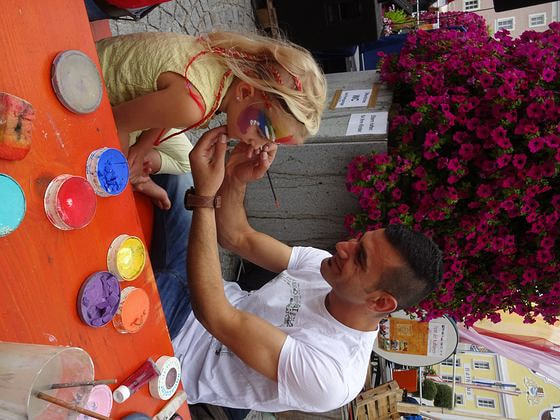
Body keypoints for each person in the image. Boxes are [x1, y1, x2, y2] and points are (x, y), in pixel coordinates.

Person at [150, 126, 443, 417]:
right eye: (358, 240)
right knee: (173, 147)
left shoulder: (333, 374)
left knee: (139, 274)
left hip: (177, 343)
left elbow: (216, 315)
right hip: (196, 284)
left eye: (360, 258)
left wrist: (205, 198)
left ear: (380, 302)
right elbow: (237, 237)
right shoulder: (325, 268)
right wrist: (236, 178)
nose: (343, 247)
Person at [95, 31, 326, 209]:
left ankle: (138, 165)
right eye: (263, 133)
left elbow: (166, 109)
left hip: (120, 86)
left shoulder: (228, 65)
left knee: (186, 160)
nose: (258, 146)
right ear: (245, 92)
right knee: (113, 181)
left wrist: (143, 147)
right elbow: (115, 122)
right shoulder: (193, 106)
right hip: (96, 94)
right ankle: (136, 176)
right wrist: (122, 170)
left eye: (271, 143)